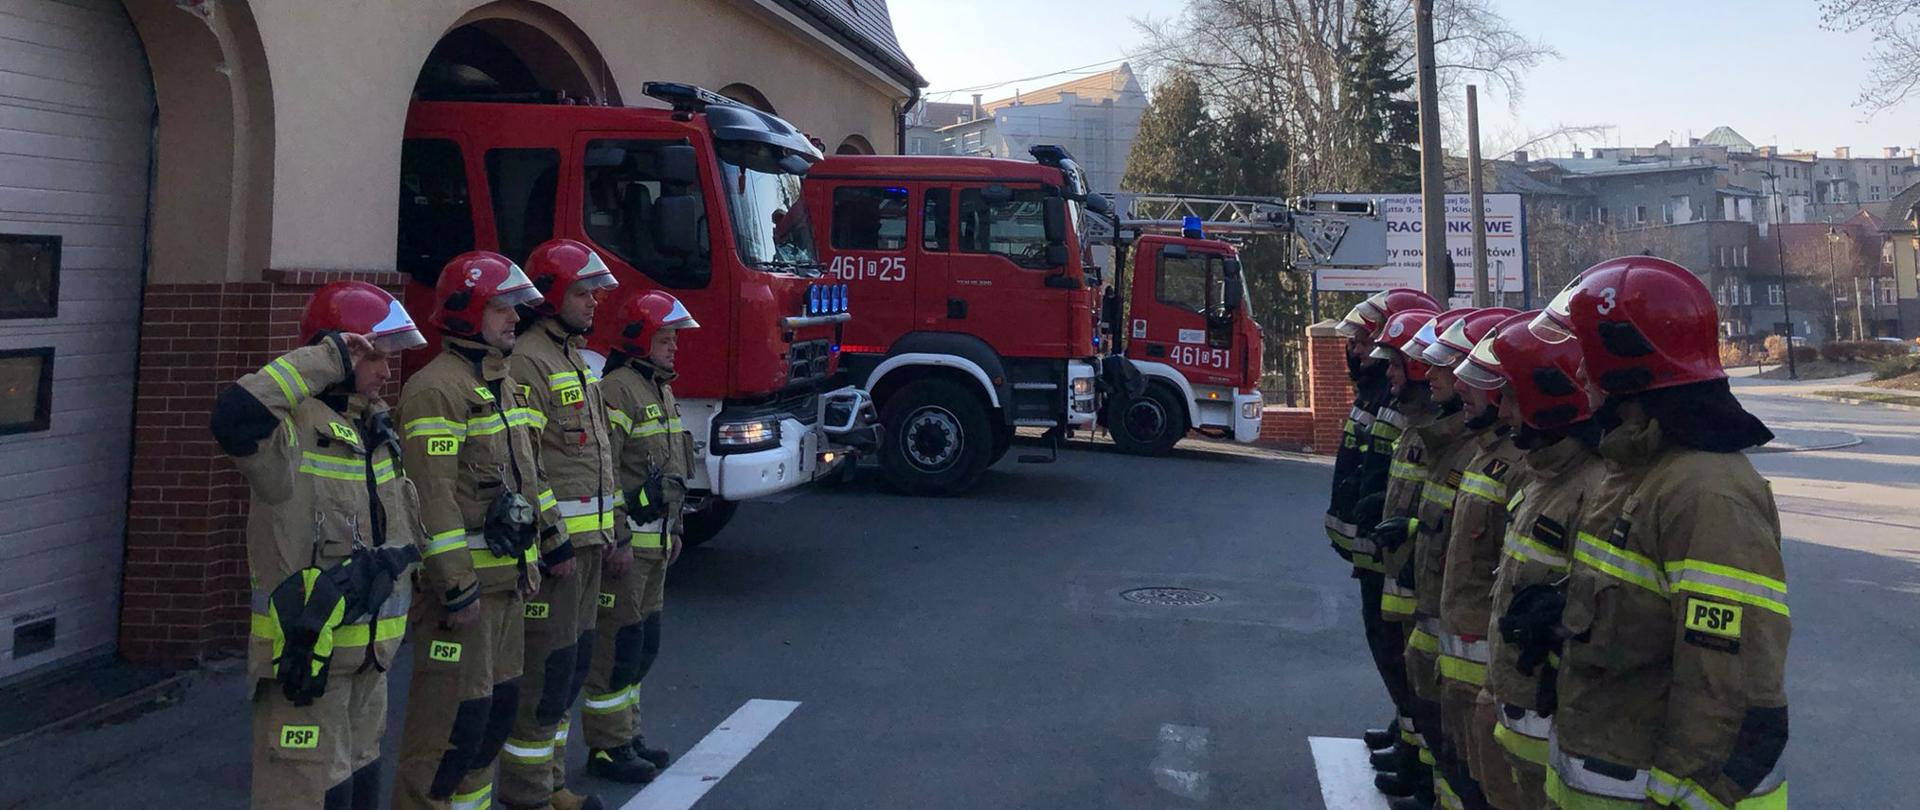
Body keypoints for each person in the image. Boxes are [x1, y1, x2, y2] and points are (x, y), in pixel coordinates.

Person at [1527, 257, 1788, 809]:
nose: (1576, 376)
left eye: (1586, 357)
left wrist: (1685, 797)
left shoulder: (1705, 492)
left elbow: (1727, 680)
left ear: (1626, 365)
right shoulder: (1635, 472)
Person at [212, 282, 427, 809]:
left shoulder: (374, 427)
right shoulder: (289, 432)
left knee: (355, 790)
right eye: (373, 356)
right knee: (304, 794)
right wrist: (327, 357)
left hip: (370, 661)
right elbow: (234, 415)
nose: (387, 369)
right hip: (306, 664)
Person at [393, 252, 569, 810]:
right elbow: (431, 499)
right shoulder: (435, 391)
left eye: (515, 308)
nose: (514, 318)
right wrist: (455, 586)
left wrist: (544, 547)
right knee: (448, 728)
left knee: (491, 719)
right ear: (467, 312)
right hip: (465, 598)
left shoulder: (506, 383)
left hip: (509, 585)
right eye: (501, 308)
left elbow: (530, 476)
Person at [1453, 305, 1609, 810]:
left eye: (1513, 399)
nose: (1502, 412)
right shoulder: (1547, 479)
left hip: (1548, 726)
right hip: (1510, 706)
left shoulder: (1590, 488)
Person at [497, 239, 633, 808]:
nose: (594, 303)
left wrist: (614, 528)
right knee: (545, 673)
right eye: (583, 293)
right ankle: (530, 790)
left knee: (570, 667)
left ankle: (551, 780)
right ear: (553, 295)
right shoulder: (530, 358)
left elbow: (599, 457)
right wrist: (552, 540)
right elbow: (525, 463)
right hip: (562, 551)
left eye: (595, 293)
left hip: (589, 546)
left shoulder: (574, 357)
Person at [1387, 307, 1516, 810]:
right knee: (1459, 765)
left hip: (1481, 658)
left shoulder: (1507, 461)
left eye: (1466, 374)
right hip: (1451, 637)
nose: (1452, 383)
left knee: (1483, 777)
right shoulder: (1477, 449)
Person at [586, 290, 699, 779]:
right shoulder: (618, 389)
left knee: (643, 645)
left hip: (657, 544)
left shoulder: (662, 389)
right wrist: (617, 538)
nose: (675, 347)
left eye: (675, 338)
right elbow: (604, 470)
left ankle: (629, 734)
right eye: (666, 338)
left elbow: (672, 467)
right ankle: (607, 747)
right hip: (629, 546)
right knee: (618, 648)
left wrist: (675, 528)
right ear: (639, 339)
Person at [1329, 288, 1440, 752]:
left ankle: (1415, 744)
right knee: (1389, 646)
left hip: (1390, 551)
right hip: (1373, 549)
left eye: (1362, 340)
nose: (1354, 350)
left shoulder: (1403, 403)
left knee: (1399, 649)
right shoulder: (1377, 395)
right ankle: (1406, 729)